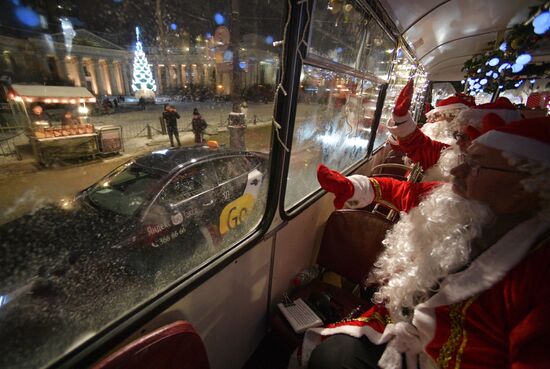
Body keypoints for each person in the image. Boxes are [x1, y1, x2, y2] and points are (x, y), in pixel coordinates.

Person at [296, 117, 550, 369]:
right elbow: (405, 192)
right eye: (465, 160)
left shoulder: (537, 275)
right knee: (330, 356)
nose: (455, 172)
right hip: (400, 328)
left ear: (526, 185)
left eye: (476, 166)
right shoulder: (457, 203)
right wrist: (355, 187)